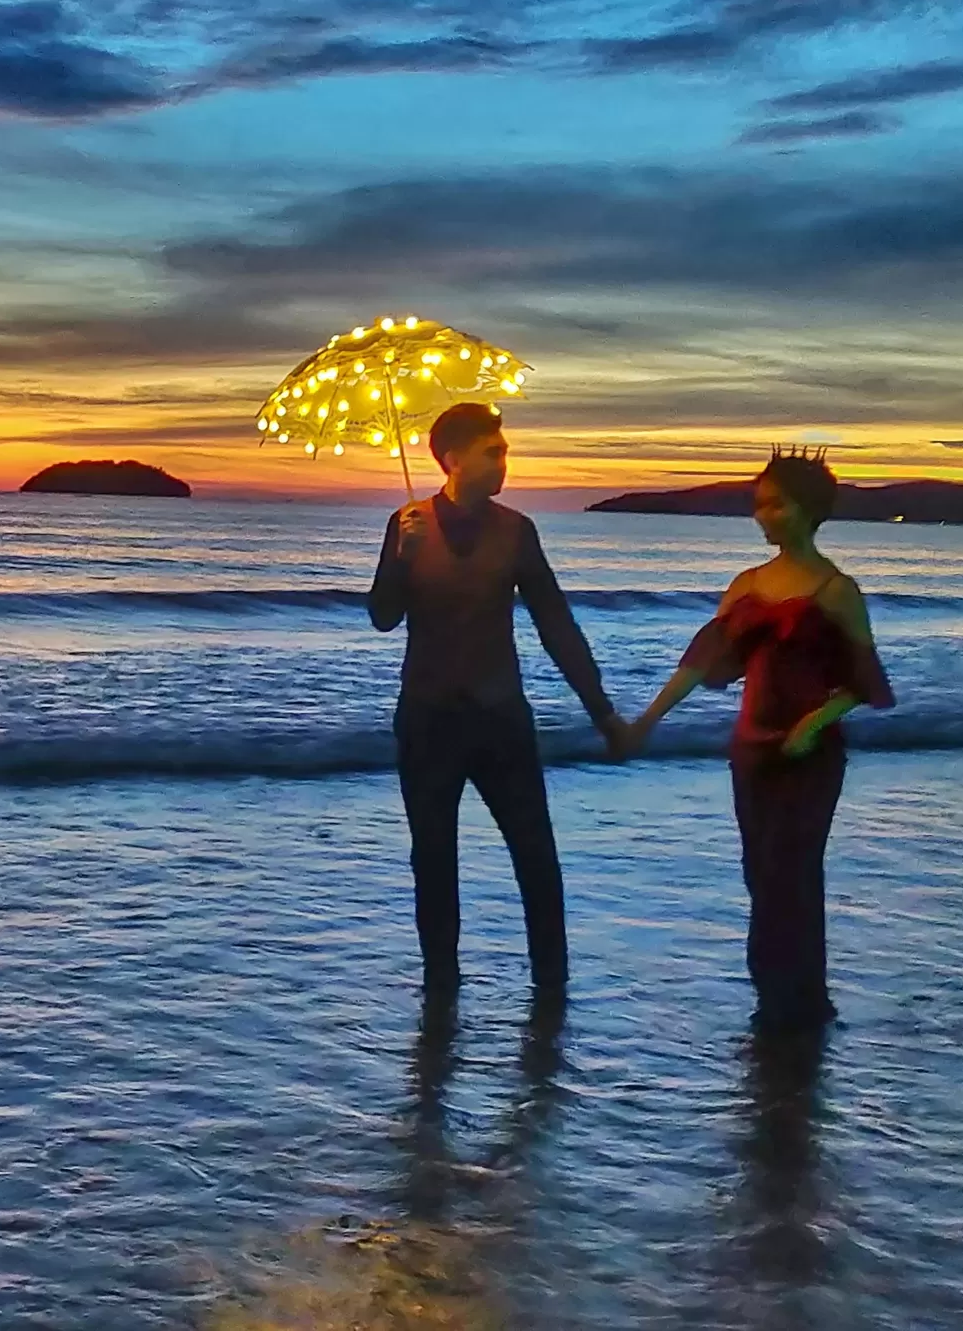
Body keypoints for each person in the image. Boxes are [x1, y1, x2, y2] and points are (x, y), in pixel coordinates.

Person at [626, 447, 895, 1032]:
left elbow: (865, 682)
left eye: (773, 504)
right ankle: (773, 993)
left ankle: (801, 1000)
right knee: (758, 870)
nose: (761, 515)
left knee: (792, 870)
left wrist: (814, 722)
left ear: (805, 510)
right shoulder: (747, 585)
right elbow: (702, 663)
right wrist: (647, 720)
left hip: (810, 755)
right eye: (758, 504)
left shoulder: (836, 589)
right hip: (751, 749)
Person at [368, 401, 627, 997]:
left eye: (505, 450)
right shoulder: (407, 524)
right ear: (453, 458)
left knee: (536, 854)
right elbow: (383, 617)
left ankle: (552, 988)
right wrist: (402, 561)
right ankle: (441, 989)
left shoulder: (516, 530)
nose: (504, 460)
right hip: (429, 720)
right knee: (433, 859)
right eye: (494, 450)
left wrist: (602, 711)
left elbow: (555, 623)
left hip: (500, 717)